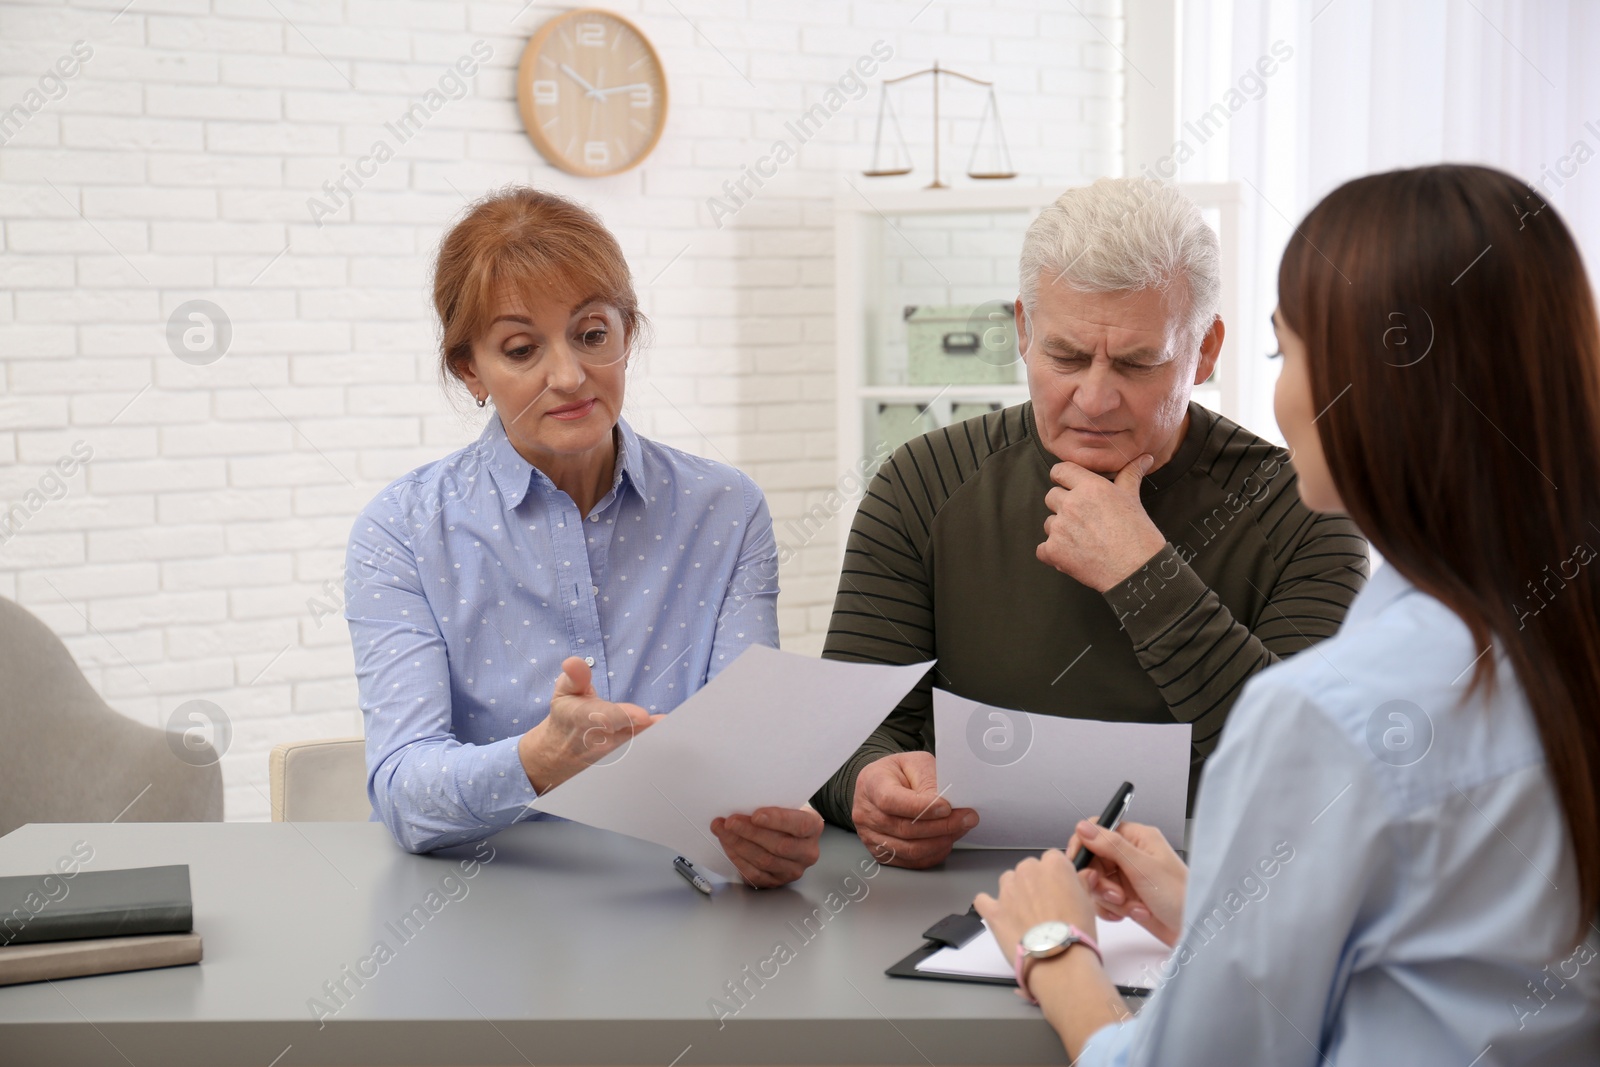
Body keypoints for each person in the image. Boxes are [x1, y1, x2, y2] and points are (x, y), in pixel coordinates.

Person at [975, 164, 1600, 1064]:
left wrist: (1055, 947)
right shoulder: (1552, 635)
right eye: (1067, 355)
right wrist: (1217, 909)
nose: (1097, 395)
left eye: (1285, 352)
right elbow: (1458, 951)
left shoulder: (1329, 710)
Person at [812, 178, 1369, 866]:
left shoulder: (1304, 511)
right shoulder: (923, 483)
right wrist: (870, 784)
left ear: (1205, 350)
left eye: (1138, 362)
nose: (1095, 398)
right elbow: (842, 739)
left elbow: (1303, 770)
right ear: (1021, 330)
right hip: (961, 908)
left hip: (1211, 912)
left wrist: (1145, 577)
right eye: (1066, 356)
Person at [344, 186, 822, 887]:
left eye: (592, 334)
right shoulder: (403, 531)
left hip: (680, 902)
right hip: (479, 910)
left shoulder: (726, 510)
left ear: (627, 333)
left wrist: (768, 825)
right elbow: (403, 791)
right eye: (520, 348)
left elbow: (744, 756)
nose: (568, 376)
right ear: (470, 369)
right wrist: (540, 758)